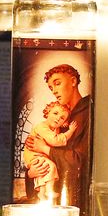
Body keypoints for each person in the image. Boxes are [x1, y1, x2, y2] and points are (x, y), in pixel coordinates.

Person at [24, 64, 91, 206]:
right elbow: (35, 156)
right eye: (51, 87)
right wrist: (31, 173)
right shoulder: (58, 120)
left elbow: (80, 161)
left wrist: (44, 148)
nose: (54, 91)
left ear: (73, 81)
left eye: (57, 83)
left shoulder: (88, 113)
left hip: (76, 197)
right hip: (52, 197)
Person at [24, 100, 83, 203]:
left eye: (62, 118)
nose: (57, 118)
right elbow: (55, 140)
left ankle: (42, 193)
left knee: (43, 172)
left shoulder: (53, 128)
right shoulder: (42, 127)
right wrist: (70, 131)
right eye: (55, 113)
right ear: (48, 112)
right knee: (51, 167)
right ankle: (49, 191)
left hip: (39, 156)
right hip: (35, 155)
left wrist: (63, 124)